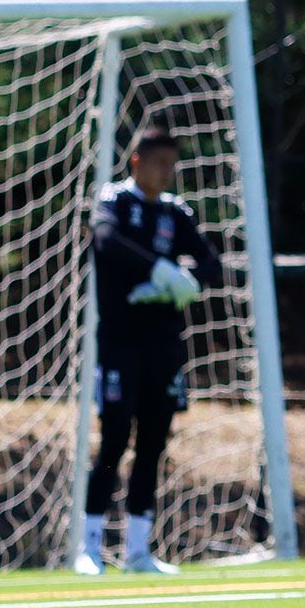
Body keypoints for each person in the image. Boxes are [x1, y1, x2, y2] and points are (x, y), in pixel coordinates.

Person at [74, 126, 221, 575]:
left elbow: (212, 264)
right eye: (159, 162)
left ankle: (139, 550)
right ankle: (89, 547)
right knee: (115, 436)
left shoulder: (175, 213)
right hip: (120, 343)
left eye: (171, 164)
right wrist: (157, 268)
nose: (166, 172)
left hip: (164, 346)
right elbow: (104, 242)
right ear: (137, 160)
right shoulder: (114, 201)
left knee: (154, 441)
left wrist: (182, 280)